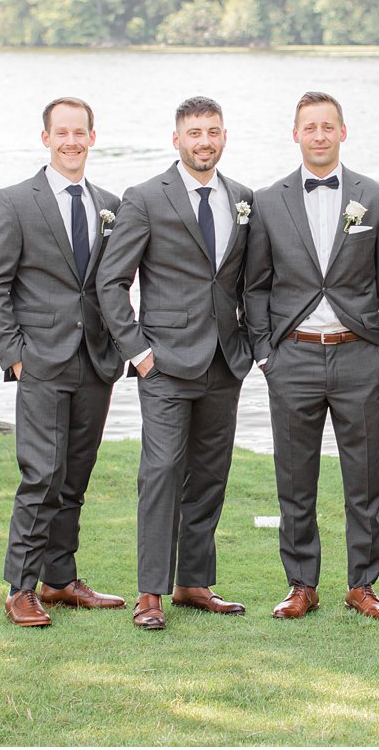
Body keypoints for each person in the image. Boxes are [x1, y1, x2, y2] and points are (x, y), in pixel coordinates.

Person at [244, 91, 379, 621]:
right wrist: (266, 354)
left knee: (364, 480)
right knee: (294, 479)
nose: (318, 135)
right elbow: (256, 286)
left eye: (327, 126)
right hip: (292, 359)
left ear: (342, 132)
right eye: (309, 127)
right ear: (296, 134)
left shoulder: (376, 198)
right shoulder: (268, 201)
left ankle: (363, 584)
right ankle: (300, 584)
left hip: (359, 356)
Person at [96, 96, 255, 630]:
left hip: (224, 362)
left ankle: (194, 581)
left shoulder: (242, 198)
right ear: (177, 139)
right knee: (162, 472)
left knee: (211, 474)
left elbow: (247, 283)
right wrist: (138, 352)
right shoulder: (144, 198)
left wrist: (250, 346)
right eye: (194, 132)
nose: (204, 141)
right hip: (162, 363)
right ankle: (150, 593)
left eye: (213, 131)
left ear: (224, 136)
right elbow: (111, 282)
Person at [0, 97, 127, 627]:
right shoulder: (16, 201)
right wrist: (13, 355)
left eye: (80, 132)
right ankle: (21, 586)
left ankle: (60, 578)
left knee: (75, 476)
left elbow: (112, 282)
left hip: (95, 361)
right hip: (39, 359)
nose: (71, 141)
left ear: (92, 136)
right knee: (41, 473)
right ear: (45, 138)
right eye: (61, 132)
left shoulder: (111, 203)